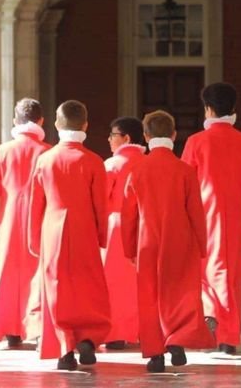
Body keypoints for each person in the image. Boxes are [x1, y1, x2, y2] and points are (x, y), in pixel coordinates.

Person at [121, 110, 216, 373]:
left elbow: (129, 215)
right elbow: (196, 211)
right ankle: (176, 340)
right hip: (180, 240)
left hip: (147, 241)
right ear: (174, 135)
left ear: (146, 135)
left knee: (149, 296)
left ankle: (155, 355)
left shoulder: (136, 169)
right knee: (180, 294)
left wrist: (129, 248)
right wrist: (201, 244)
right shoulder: (185, 170)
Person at [28, 99, 111, 371]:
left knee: (56, 287)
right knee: (88, 286)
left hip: (52, 230)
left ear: (56, 124)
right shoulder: (94, 161)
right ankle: (88, 336)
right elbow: (101, 206)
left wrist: (33, 239)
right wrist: (102, 237)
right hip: (84, 228)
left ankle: (64, 346)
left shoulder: (45, 160)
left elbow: (35, 203)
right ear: (85, 125)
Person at [181, 82, 241, 355]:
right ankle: (229, 335)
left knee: (203, 273)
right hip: (235, 217)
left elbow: (185, 184)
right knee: (232, 275)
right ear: (233, 108)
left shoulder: (195, 142)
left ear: (208, 109)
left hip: (202, 216)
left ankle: (209, 322)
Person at [0, 98, 51, 348]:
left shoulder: (2, 151)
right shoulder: (47, 151)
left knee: (8, 274)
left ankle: (11, 330)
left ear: (14, 122)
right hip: (38, 221)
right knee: (36, 275)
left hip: (8, 221)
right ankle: (37, 328)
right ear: (41, 121)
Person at [103, 117, 145, 350]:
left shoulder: (112, 164)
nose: (109, 139)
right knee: (141, 283)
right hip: (145, 226)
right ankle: (140, 330)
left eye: (113, 135)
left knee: (115, 283)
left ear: (126, 138)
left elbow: (100, 200)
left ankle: (115, 333)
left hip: (116, 228)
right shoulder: (147, 162)